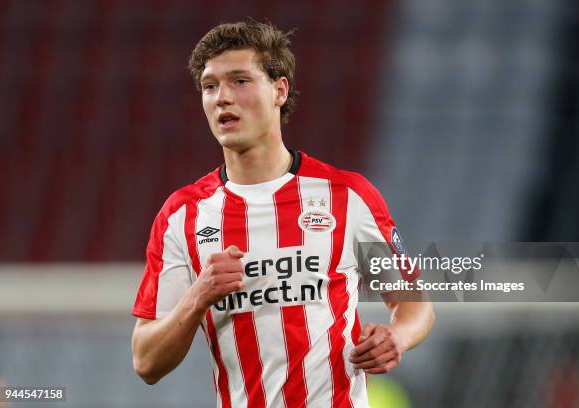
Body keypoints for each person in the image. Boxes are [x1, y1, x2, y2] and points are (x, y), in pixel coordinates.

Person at [131, 20, 434, 408]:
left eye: (240, 80)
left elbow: (414, 304)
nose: (222, 97)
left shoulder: (347, 196)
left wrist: (398, 337)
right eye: (210, 86)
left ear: (279, 89)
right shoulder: (183, 215)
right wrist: (198, 296)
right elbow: (146, 360)